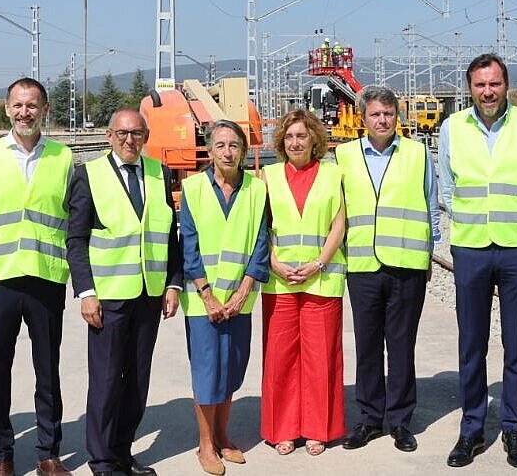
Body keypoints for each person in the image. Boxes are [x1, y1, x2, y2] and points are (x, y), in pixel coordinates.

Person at [439, 53, 517, 469]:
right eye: (480, 85)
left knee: (516, 341)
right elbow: (447, 188)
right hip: (470, 247)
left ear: (507, 85)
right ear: (469, 88)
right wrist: (470, 221)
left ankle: (513, 428)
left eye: (495, 84)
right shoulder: (452, 128)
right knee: (471, 343)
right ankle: (471, 429)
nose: (487, 92)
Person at [65, 108, 183, 476]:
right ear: (109, 136)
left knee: (136, 380)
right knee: (105, 381)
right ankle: (102, 461)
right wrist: (86, 292)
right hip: (108, 297)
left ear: (146, 136)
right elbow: (76, 239)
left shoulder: (160, 174)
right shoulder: (88, 175)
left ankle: (121, 451)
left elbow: (169, 234)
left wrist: (173, 283)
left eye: (136, 133)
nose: (129, 140)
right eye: (122, 133)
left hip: (149, 294)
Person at [0, 78, 73, 476]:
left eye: (32, 105)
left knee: (48, 370)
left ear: (44, 110)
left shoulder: (63, 158)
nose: (24, 112)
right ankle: (1, 453)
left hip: (46, 277)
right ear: (6, 108)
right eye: (17, 105)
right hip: (0, 278)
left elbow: (71, 217)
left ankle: (48, 452)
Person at [336, 86, 439, 453]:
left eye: (388, 114)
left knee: (401, 345)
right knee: (367, 345)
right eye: (375, 114)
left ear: (398, 116)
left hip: (407, 265)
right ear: (362, 118)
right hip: (362, 265)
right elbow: (337, 210)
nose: (382, 120)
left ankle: (400, 420)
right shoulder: (343, 156)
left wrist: (429, 254)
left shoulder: (418, 153)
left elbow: (431, 204)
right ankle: (369, 418)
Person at [179, 120, 268, 476]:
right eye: (220, 145)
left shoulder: (256, 190)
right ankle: (205, 444)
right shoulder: (193, 189)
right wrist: (207, 295)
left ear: (243, 150)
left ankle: (222, 435)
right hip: (204, 301)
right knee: (207, 372)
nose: (228, 152)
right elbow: (188, 246)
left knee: (231, 368)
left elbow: (261, 243)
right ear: (210, 150)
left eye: (234, 145)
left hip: (239, 300)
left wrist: (244, 290)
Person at [259, 108, 346, 457]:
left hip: (321, 280)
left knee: (320, 357)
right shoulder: (268, 176)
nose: (295, 142)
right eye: (290, 136)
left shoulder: (333, 174)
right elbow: (260, 226)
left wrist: (319, 263)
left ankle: (317, 429)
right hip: (279, 281)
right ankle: (282, 429)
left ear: (314, 139)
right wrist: (273, 263)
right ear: (282, 142)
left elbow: (339, 224)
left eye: (302, 135)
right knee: (279, 357)